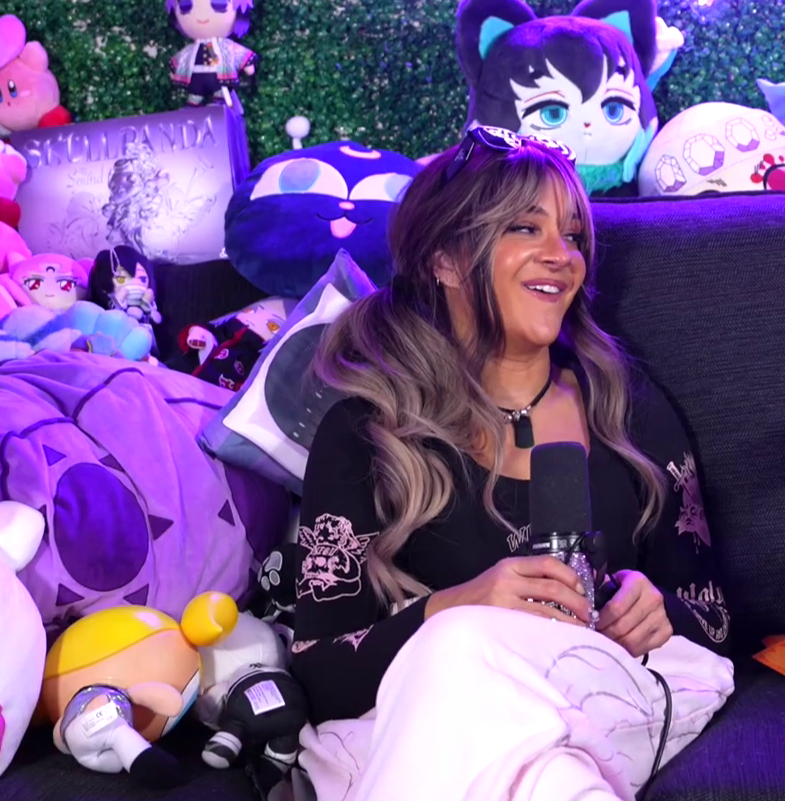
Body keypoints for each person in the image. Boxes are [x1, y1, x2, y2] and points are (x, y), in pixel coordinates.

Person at [291, 125, 734, 801]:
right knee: (530, 755)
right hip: (444, 727)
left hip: (606, 698)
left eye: (573, 236)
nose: (563, 256)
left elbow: (717, 621)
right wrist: (456, 607)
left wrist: (659, 608)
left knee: (460, 651)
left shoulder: (625, 407)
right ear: (444, 260)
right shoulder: (367, 434)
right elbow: (319, 675)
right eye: (526, 229)